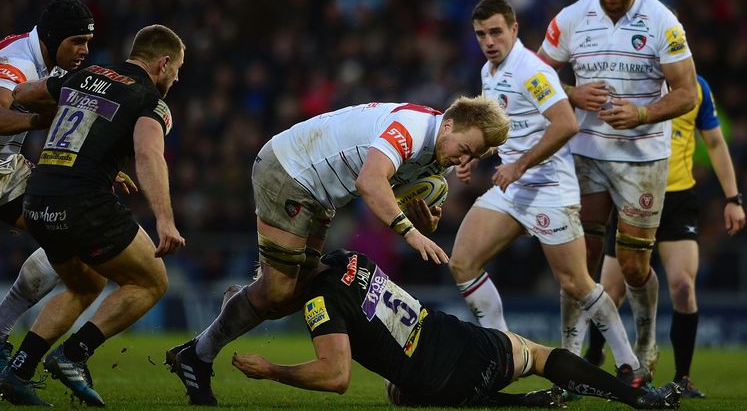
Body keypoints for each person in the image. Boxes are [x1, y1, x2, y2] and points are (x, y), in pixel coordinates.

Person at [166, 96, 510, 405]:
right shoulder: (413, 129)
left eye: (474, 156)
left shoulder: (439, 161)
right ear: (448, 124)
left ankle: (231, 312)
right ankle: (199, 355)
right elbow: (370, 182)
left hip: (320, 194)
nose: (464, 160)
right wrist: (410, 233)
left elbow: (418, 211)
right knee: (277, 291)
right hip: (290, 171)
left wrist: (425, 224)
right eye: (466, 148)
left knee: (290, 294)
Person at [448, 0, 647, 388]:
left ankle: (630, 364)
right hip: (512, 189)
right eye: (481, 34)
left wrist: (520, 165)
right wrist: (477, 154)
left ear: (514, 29)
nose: (489, 41)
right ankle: (501, 353)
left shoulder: (532, 70)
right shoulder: (490, 71)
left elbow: (566, 123)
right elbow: (507, 131)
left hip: (549, 189)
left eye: (496, 32)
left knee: (576, 283)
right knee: (462, 263)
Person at [0, 24, 186, 407]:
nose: (176, 77)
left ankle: (18, 370)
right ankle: (74, 353)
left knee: (87, 284)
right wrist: (164, 219)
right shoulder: (151, 100)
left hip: (38, 195)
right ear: (163, 63)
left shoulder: (85, 75)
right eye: (177, 69)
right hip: (82, 203)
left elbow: (21, 93)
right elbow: (148, 154)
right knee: (151, 281)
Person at [231, 249, 681, 409]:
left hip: (435, 386)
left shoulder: (318, 304)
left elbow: (336, 376)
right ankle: (638, 397)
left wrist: (272, 370)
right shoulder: (351, 259)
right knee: (539, 356)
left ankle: (524, 404)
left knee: (401, 392)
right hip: (460, 345)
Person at [537, 0, 699, 376]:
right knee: (580, 262)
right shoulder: (572, 17)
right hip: (587, 155)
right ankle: (570, 359)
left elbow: (688, 92)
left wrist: (641, 114)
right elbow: (535, 74)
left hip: (642, 161)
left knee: (632, 267)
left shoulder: (661, 20)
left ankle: (645, 345)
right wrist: (573, 95)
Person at [584, 75, 745, 398]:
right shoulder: (633, 79)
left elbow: (714, 141)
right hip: (633, 195)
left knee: (684, 286)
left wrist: (733, 198)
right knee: (610, 291)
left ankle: (682, 377)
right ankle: (591, 362)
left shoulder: (697, 87)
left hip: (677, 200)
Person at [0, 0, 101, 375]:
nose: (84, 51)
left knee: (67, 233)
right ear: (53, 38)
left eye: (88, 42)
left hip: (4, 168)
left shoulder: (50, 64)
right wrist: (37, 121)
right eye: (77, 42)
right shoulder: (17, 59)